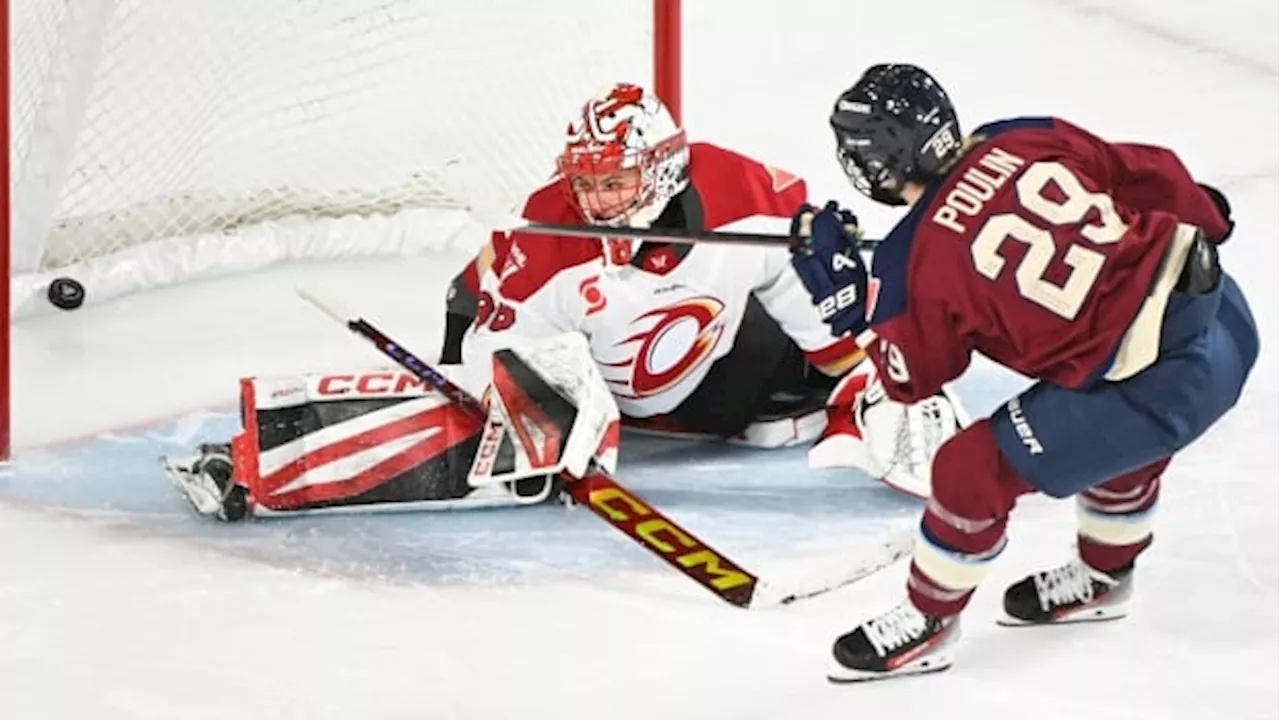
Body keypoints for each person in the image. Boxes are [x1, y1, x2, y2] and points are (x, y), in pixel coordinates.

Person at [787, 63, 1259, 682]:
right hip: (1226, 319)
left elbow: (911, 379)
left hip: (1160, 391)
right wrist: (1212, 216)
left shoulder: (910, 264)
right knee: (1102, 424)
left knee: (968, 470)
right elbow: (1152, 172)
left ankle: (929, 622)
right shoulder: (1018, 136)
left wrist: (852, 310)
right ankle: (1103, 576)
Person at [449, 82, 864, 446]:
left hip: (713, 384)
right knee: (479, 294)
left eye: (613, 183)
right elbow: (500, 347)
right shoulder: (545, 231)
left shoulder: (737, 189)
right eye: (584, 183)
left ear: (663, 170)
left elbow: (812, 285)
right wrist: (529, 414)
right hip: (606, 383)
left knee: (795, 314)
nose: (595, 202)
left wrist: (861, 377)